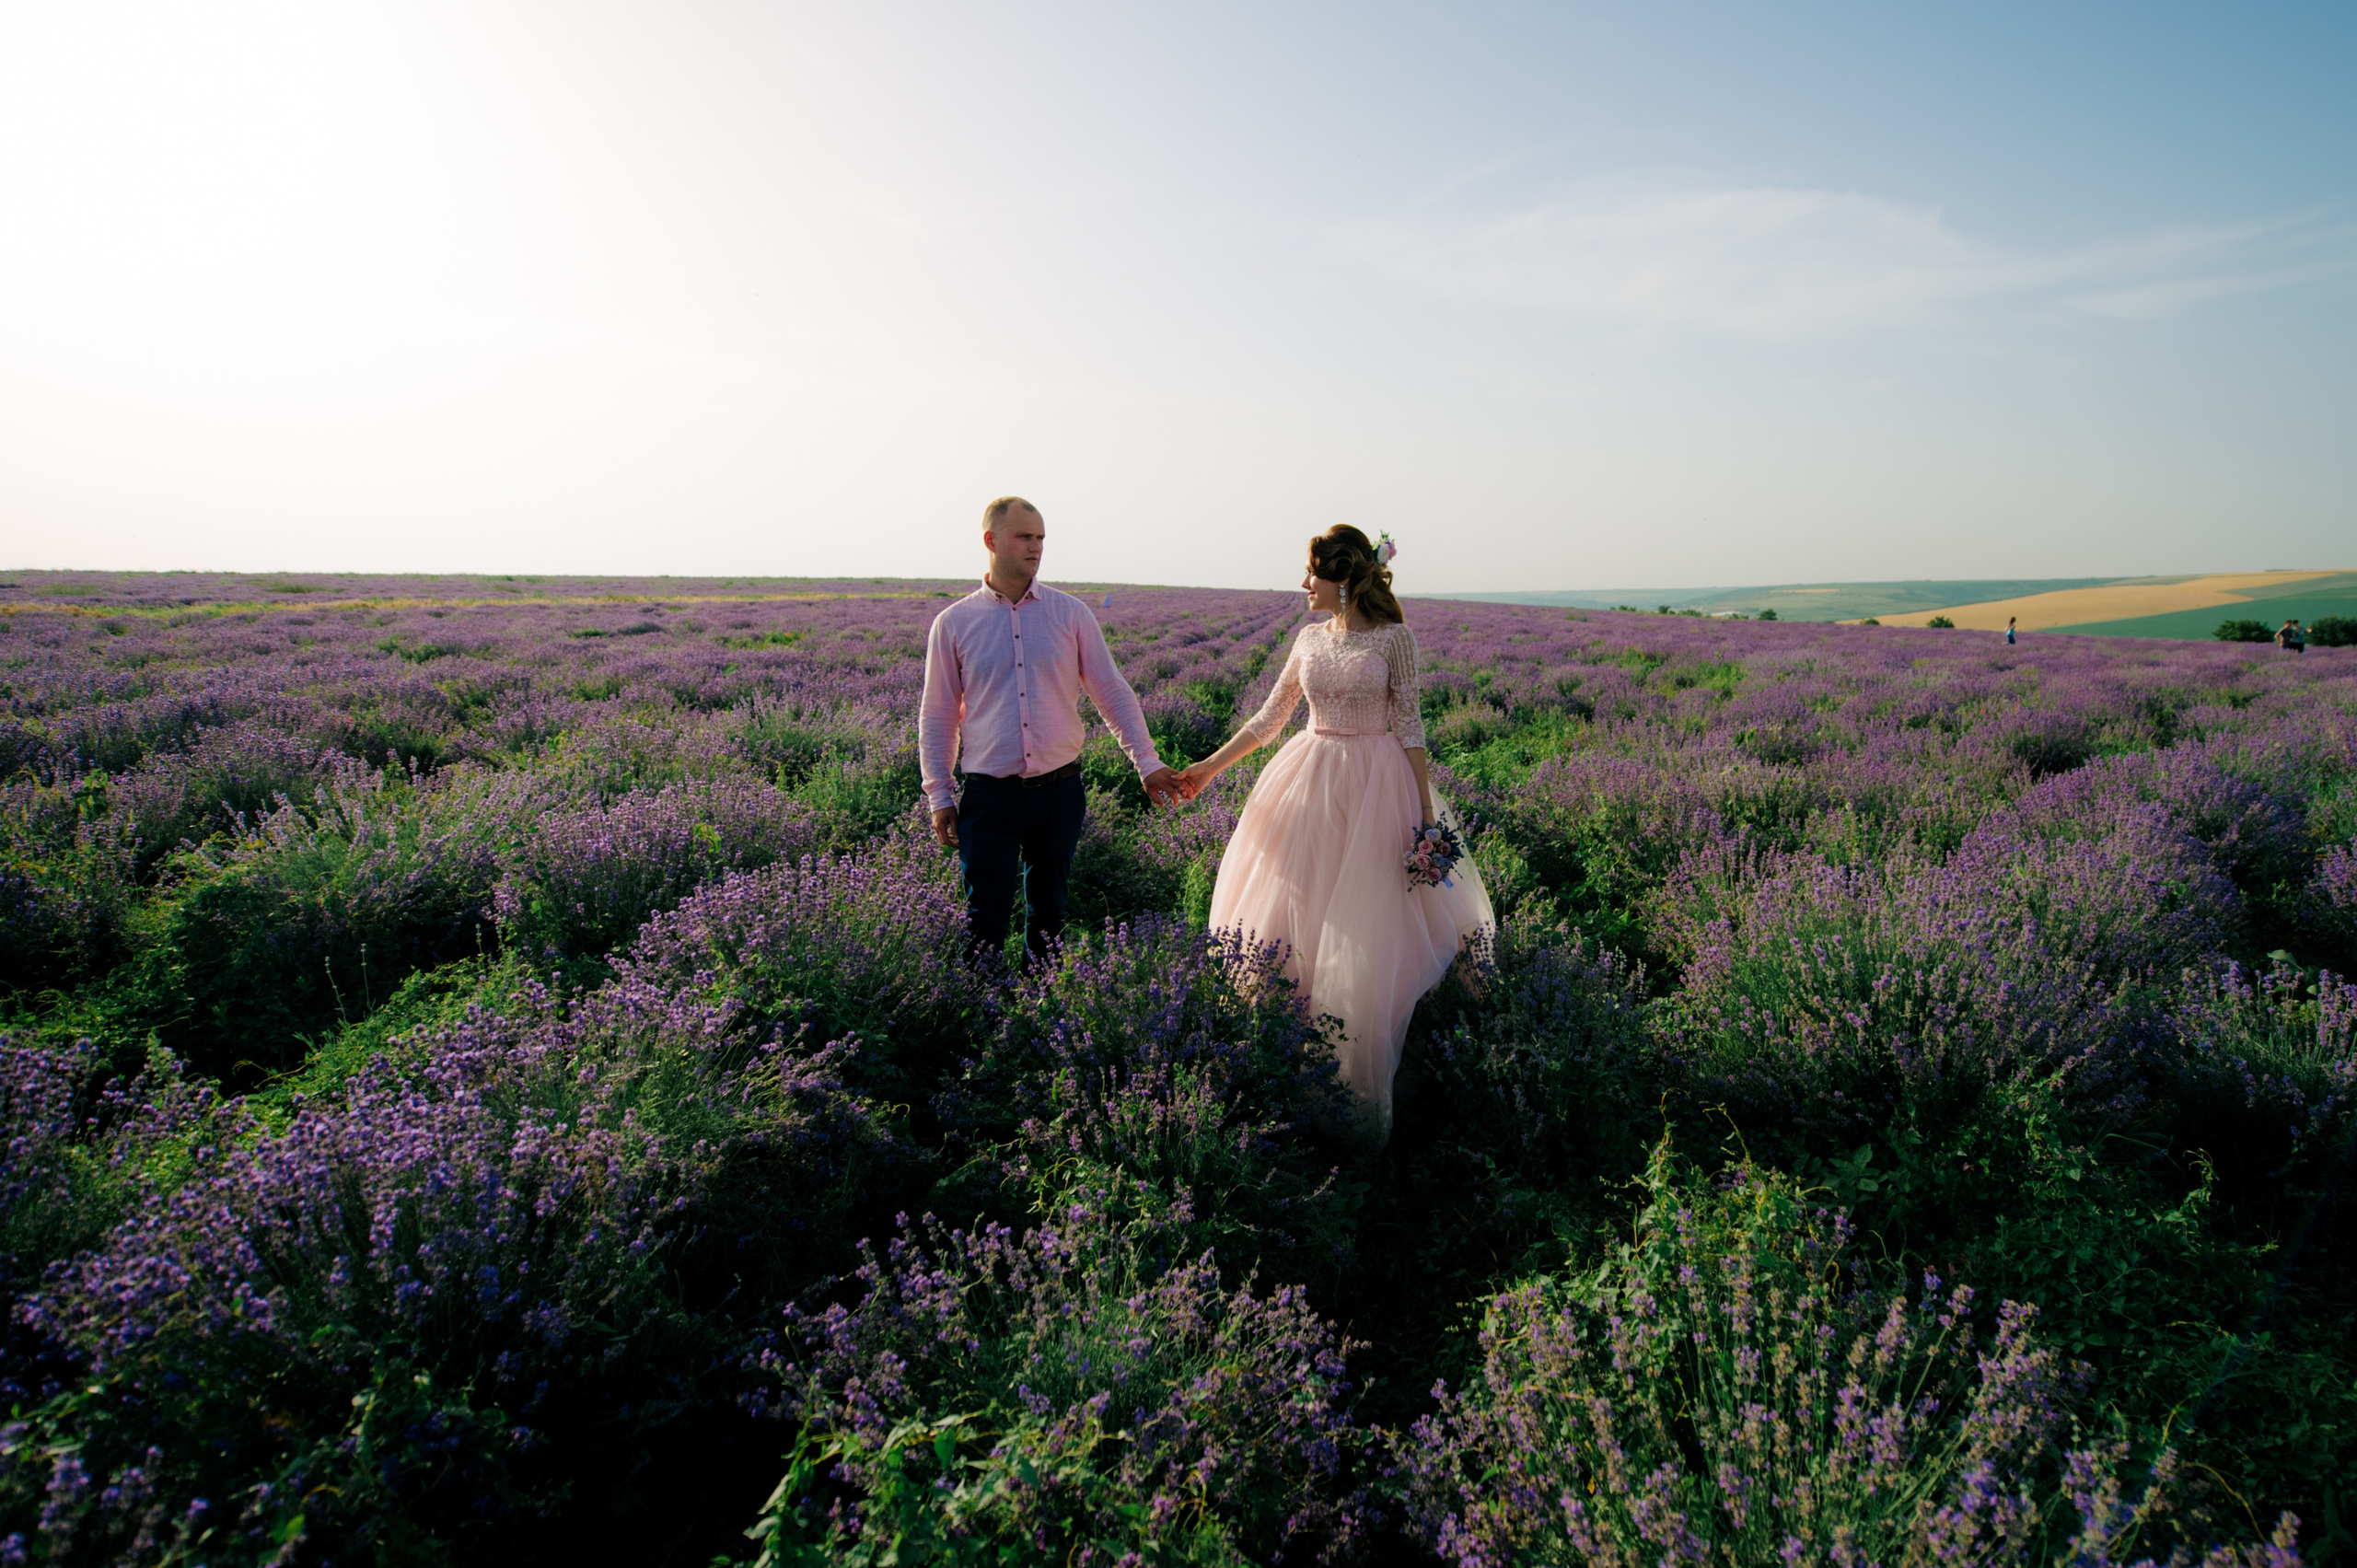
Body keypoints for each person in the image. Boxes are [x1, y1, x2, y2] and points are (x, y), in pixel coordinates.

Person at [1172, 525, 1493, 1144]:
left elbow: (1411, 726)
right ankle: (1289, 1064)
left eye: (1310, 572)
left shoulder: (1397, 640)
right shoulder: (1308, 639)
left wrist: (1425, 814)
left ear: (1341, 576)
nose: (1302, 583)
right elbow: (1269, 720)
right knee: (1299, 919)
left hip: (1380, 786)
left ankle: (1373, 1070)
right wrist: (1206, 770)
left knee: (1374, 924)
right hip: (1310, 779)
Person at [920, 496, 1180, 966]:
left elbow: (1112, 693)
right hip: (989, 794)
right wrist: (939, 794)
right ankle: (983, 1019)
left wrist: (1147, 762)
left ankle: (1040, 1016)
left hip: (1059, 790)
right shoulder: (954, 623)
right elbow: (938, 715)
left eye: (1041, 537)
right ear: (991, 541)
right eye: (1024, 536)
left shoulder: (1071, 614)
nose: (1036, 546)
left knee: (1050, 915)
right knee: (985, 918)